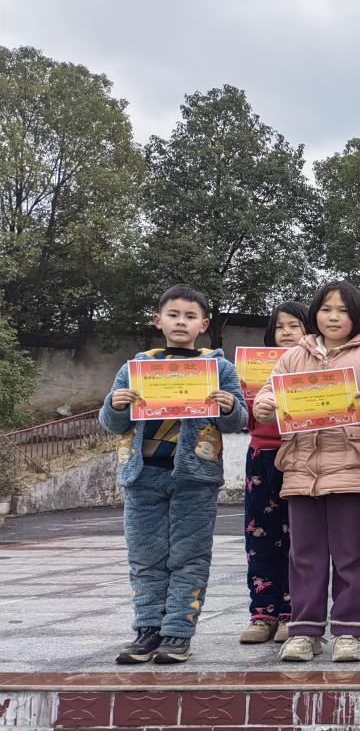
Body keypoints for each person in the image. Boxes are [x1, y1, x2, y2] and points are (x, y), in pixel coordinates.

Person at [254, 281, 360, 664]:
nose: (333, 317)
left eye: (342, 310)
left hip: (353, 468)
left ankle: (350, 631)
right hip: (301, 470)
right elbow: (269, 393)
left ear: (356, 317)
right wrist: (266, 407)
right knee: (304, 555)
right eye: (326, 309)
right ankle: (305, 631)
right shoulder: (292, 357)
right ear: (314, 315)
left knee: (353, 554)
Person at [100, 285, 247, 665]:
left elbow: (238, 420)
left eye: (190, 316)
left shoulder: (219, 368)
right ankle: (147, 629)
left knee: (189, 557)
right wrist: (115, 406)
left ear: (204, 324)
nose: (181, 322)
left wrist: (228, 406)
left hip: (194, 478)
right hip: (142, 476)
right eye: (174, 315)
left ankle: (178, 632)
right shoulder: (135, 367)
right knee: (145, 557)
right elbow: (111, 423)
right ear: (158, 320)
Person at [239, 301, 311, 646]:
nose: (286, 332)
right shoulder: (254, 367)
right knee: (260, 536)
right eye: (280, 326)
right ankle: (262, 613)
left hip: (299, 454)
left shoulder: (315, 367)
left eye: (294, 326)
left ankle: (292, 612)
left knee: (300, 537)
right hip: (260, 456)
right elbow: (243, 418)